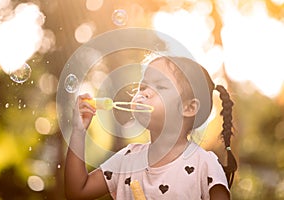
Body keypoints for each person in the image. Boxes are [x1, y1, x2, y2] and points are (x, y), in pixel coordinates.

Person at [64, 54, 237, 200]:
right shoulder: (128, 159)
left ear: (188, 107)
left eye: (160, 87)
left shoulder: (204, 165)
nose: (144, 92)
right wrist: (79, 131)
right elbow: (78, 190)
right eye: (143, 86)